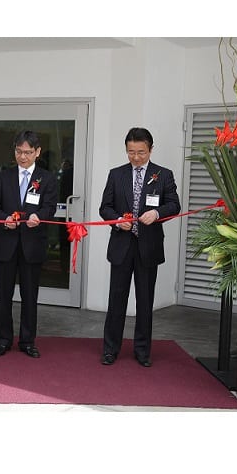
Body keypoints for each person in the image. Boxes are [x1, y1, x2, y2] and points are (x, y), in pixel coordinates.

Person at [99, 127, 180, 367]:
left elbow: (174, 205)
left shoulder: (163, 175)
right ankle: (110, 349)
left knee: (145, 301)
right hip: (122, 246)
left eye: (141, 152)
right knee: (116, 300)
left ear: (151, 150)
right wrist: (117, 220)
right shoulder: (116, 174)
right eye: (131, 152)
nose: (136, 157)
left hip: (148, 247)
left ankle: (142, 351)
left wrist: (157, 213)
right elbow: (105, 208)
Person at [0, 131, 59, 358]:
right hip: (6, 244)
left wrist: (39, 216)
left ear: (37, 152)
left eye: (28, 152)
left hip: (32, 245)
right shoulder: (3, 177)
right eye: (19, 152)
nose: (23, 157)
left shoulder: (47, 178)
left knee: (30, 296)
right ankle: (3, 340)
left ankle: (28, 341)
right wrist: (4, 219)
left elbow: (50, 207)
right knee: (3, 296)